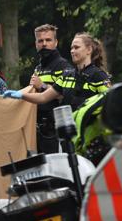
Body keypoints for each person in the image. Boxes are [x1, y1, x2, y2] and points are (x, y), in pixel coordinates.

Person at [3, 33, 111, 125]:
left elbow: (110, 102)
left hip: (89, 133)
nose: (72, 51)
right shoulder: (67, 75)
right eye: (71, 48)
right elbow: (43, 97)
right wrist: (21, 95)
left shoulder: (98, 75)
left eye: (76, 47)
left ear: (89, 50)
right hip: (68, 134)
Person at [5, 25, 74, 154]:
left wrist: (42, 86)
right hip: (36, 129)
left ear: (56, 42)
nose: (44, 44)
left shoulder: (63, 66)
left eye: (48, 40)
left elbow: (66, 97)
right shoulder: (38, 68)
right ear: (36, 44)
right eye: (40, 41)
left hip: (54, 130)